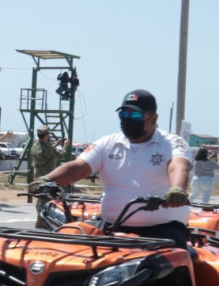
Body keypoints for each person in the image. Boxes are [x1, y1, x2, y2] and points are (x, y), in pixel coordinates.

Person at [34, 89, 192, 248]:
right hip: (112, 228)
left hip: (162, 231)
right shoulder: (108, 143)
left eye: (136, 115)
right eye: (124, 115)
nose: (128, 119)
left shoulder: (171, 143)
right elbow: (77, 167)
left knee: (172, 266)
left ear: (154, 118)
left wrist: (177, 189)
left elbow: (178, 166)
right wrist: (47, 180)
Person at [31, 125, 58, 229]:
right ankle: (42, 220)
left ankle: (39, 219)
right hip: (48, 176)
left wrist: (54, 145)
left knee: (40, 199)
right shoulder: (48, 148)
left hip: (38, 176)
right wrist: (65, 146)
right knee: (48, 198)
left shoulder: (35, 146)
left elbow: (46, 153)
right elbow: (61, 155)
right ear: (46, 135)